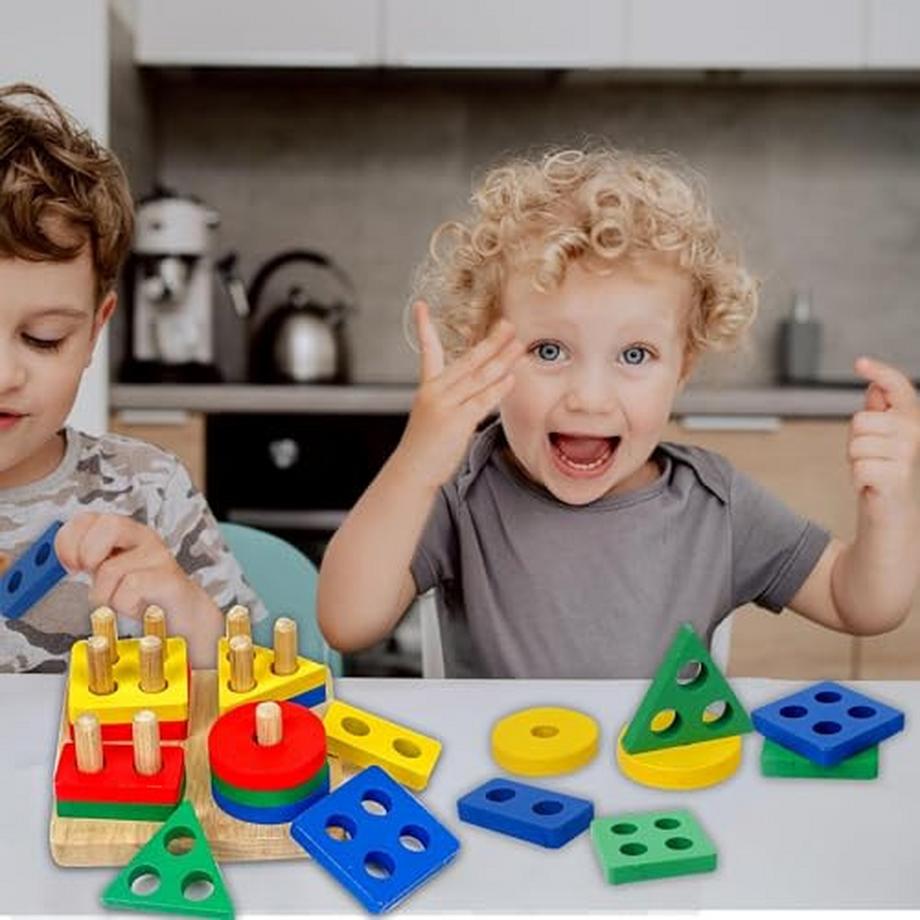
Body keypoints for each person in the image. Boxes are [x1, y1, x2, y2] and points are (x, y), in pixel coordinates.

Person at [317, 146, 920, 679]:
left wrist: (889, 506)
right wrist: (416, 465)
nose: (590, 396)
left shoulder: (717, 506)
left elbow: (859, 604)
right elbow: (347, 623)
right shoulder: (463, 495)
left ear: (682, 367)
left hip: (665, 800)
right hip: (498, 799)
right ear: (483, 354)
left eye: (635, 354)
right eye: (549, 350)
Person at [0, 83, 264, 672]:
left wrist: (191, 621)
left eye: (44, 338)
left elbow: (257, 695)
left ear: (96, 332)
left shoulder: (148, 489)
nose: (3, 375)